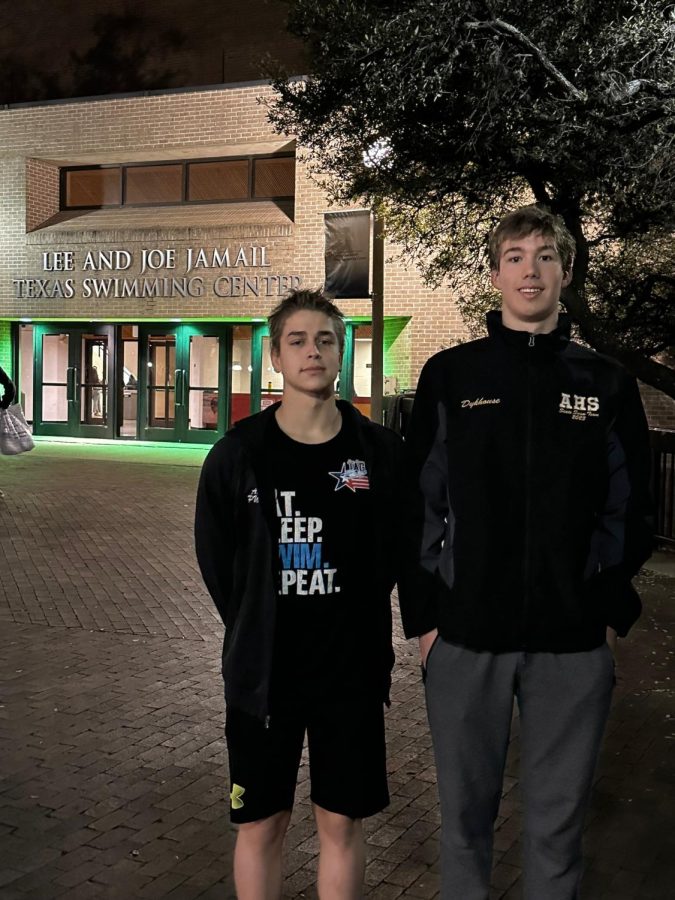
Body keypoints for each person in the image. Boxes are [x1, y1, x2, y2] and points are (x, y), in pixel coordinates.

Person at [400, 205, 653, 899]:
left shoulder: (605, 384)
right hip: (463, 643)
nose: (530, 270)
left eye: (545, 256)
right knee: (464, 828)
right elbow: (417, 504)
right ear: (492, 274)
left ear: (566, 273)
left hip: (569, 650)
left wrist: (598, 607)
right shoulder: (450, 375)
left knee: (554, 832)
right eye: (514, 256)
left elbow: (631, 509)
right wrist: (426, 623)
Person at [195, 288, 403, 898]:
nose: (312, 350)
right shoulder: (239, 454)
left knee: (341, 821)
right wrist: (254, 623)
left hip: (350, 674)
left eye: (325, 339)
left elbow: (393, 551)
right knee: (262, 822)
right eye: (297, 340)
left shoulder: (380, 454)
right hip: (265, 677)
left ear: (342, 353)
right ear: (276, 358)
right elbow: (217, 561)